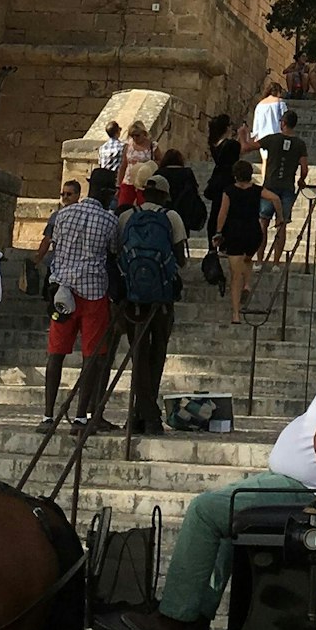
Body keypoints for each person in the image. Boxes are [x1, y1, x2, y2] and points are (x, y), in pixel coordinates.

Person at [122, 295, 316, 630]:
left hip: (308, 492)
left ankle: (175, 621)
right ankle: (195, 615)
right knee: (225, 514)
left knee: (204, 511)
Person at [33, 175, 114, 428]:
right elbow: (114, 250)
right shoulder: (110, 220)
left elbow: (56, 247)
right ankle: (80, 416)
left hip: (63, 292)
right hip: (94, 292)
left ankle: (48, 415)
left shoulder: (63, 215)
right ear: (109, 192)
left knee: (56, 352)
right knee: (92, 355)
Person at [114, 176, 189, 437]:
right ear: (166, 196)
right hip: (162, 299)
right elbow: (181, 260)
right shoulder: (172, 218)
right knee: (156, 356)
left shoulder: (126, 217)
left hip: (133, 298)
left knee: (139, 357)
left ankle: (139, 415)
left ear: (143, 194)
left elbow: (117, 253)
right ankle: (150, 416)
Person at [214, 160, 283, 325]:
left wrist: (218, 232)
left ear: (235, 175)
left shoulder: (229, 191)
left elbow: (223, 213)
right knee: (248, 258)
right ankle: (247, 284)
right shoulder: (257, 190)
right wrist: (279, 217)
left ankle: (236, 314)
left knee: (235, 274)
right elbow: (275, 198)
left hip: (234, 233)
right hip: (253, 232)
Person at [259, 109, 309, 260]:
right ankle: (276, 262)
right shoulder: (300, 144)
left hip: (269, 186)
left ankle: (260, 260)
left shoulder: (271, 139)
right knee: (282, 224)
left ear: (283, 123)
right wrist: (301, 180)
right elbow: (305, 168)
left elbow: (249, 146)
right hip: (287, 187)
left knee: (263, 222)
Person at [203, 114, 245, 242]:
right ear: (226, 127)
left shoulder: (214, 144)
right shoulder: (232, 145)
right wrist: (242, 135)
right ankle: (224, 239)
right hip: (228, 180)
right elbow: (241, 149)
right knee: (226, 212)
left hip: (217, 180)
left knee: (216, 211)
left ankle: (213, 240)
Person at [154, 148, 207, 238]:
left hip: (163, 210)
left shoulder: (160, 173)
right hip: (183, 211)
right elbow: (194, 191)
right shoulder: (187, 173)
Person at [116, 119, 157, 209]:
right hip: (128, 181)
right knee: (123, 207)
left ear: (143, 133)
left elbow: (159, 162)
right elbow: (123, 165)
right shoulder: (128, 146)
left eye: (137, 135)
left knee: (143, 207)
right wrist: (118, 184)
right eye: (132, 135)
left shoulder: (152, 146)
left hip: (144, 182)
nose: (135, 138)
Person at [251, 83, 288, 164]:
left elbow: (256, 123)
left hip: (262, 136)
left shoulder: (260, 105)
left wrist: (255, 136)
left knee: (265, 161)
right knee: (275, 162)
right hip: (276, 135)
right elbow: (285, 119)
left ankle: (264, 177)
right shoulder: (280, 103)